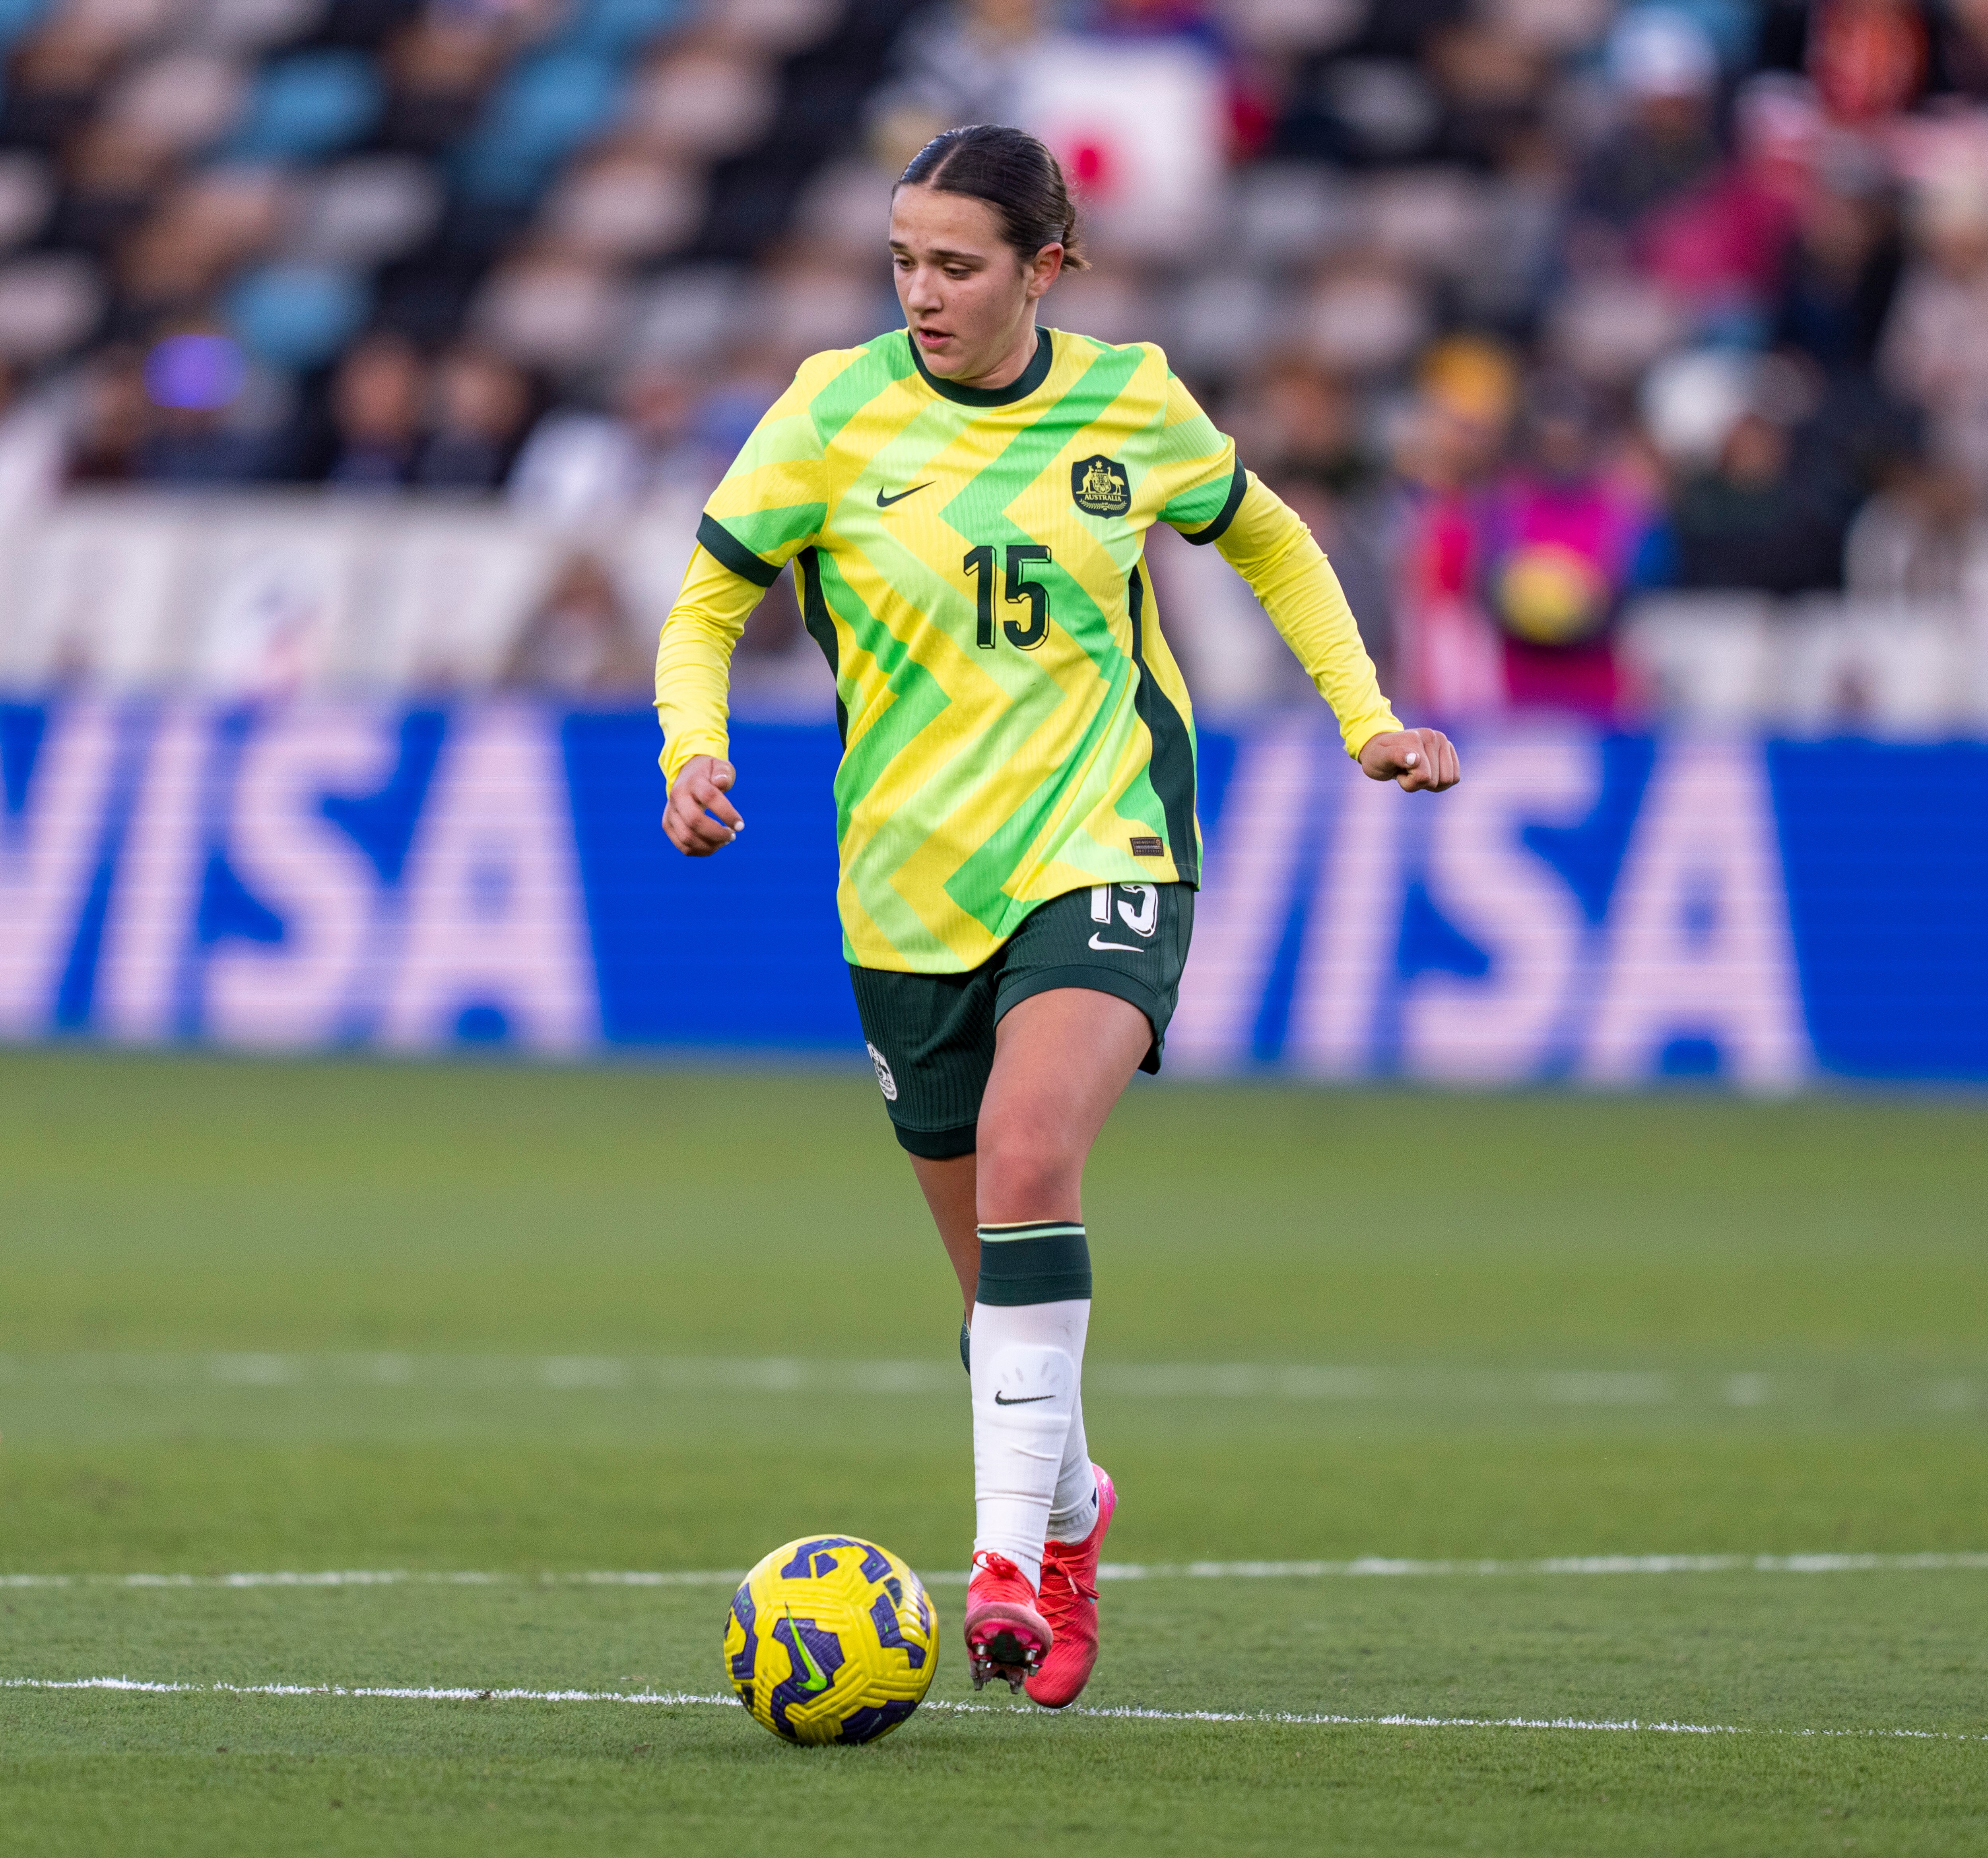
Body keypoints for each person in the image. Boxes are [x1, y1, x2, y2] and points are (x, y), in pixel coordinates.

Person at [652, 124, 1458, 1711]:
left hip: (1105, 840)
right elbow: (705, 600)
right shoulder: (831, 408)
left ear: (1044, 267)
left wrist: (1362, 710)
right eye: (901, 259)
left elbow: (1272, 539)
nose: (922, 291)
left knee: (1032, 1157)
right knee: (991, 1285)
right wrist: (695, 744)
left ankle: (1003, 1563)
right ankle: (1074, 1506)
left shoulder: (1129, 399)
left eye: (956, 264)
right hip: (903, 888)